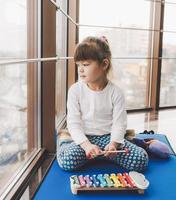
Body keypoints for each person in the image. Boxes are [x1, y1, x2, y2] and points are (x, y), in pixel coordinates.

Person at [56, 36, 149, 172]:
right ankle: (67, 142)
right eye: (78, 65)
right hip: (85, 138)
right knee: (67, 160)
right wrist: (87, 146)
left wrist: (113, 145)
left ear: (104, 64)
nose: (80, 69)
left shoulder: (116, 92)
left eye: (86, 65)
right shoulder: (75, 90)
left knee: (140, 160)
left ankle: (102, 154)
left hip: (108, 138)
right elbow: (74, 123)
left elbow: (119, 123)